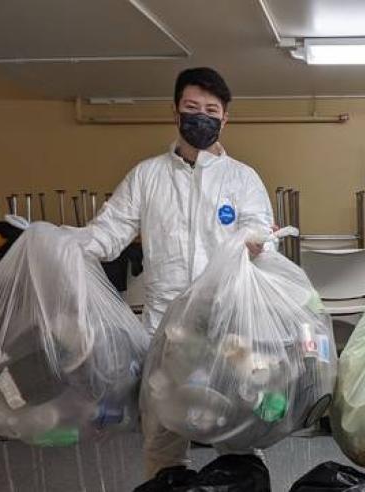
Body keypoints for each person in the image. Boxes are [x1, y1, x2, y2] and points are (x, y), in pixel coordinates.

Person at [79, 67, 275, 478]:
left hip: (228, 328)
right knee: (163, 440)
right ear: (175, 112)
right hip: (164, 332)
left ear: (225, 118)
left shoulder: (243, 179)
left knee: (239, 434)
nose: (201, 116)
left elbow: (262, 233)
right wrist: (66, 244)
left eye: (211, 109)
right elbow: (109, 232)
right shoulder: (147, 176)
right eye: (191, 107)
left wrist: (260, 244)